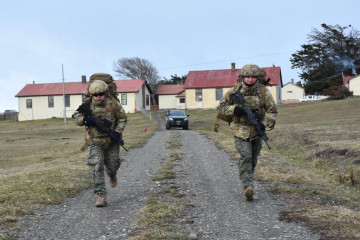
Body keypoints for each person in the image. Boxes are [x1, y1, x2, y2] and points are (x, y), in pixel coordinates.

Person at [217, 64, 277, 201]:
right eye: (248, 77)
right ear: (243, 77)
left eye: (253, 77)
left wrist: (264, 124)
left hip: (257, 130)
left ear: (256, 78)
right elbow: (221, 107)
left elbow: (272, 111)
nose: (250, 80)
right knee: (246, 156)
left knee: (253, 158)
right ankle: (247, 186)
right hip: (240, 130)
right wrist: (234, 110)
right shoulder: (235, 90)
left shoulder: (263, 92)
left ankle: (248, 178)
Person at [72, 75, 127, 207]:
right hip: (95, 140)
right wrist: (85, 120)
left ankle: (112, 175)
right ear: (91, 94)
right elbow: (76, 117)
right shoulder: (87, 105)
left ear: (106, 93)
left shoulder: (113, 104)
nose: (98, 97)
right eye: (95, 95)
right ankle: (101, 195)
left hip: (111, 140)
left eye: (101, 94)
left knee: (113, 165)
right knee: (97, 166)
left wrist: (117, 132)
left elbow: (122, 119)